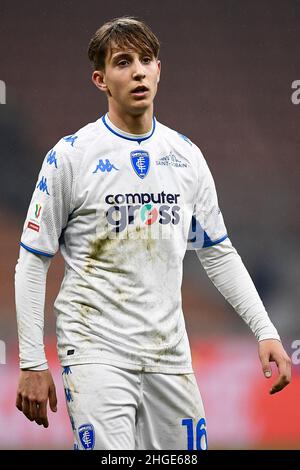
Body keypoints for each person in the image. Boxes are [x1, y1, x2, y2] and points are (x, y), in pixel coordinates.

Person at [15, 16, 291, 450]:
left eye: (146, 60)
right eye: (123, 62)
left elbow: (218, 253)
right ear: (100, 79)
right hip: (95, 351)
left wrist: (265, 330)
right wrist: (32, 361)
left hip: (169, 355)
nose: (138, 71)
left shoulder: (185, 157)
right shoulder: (70, 157)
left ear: (159, 70)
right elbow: (33, 260)